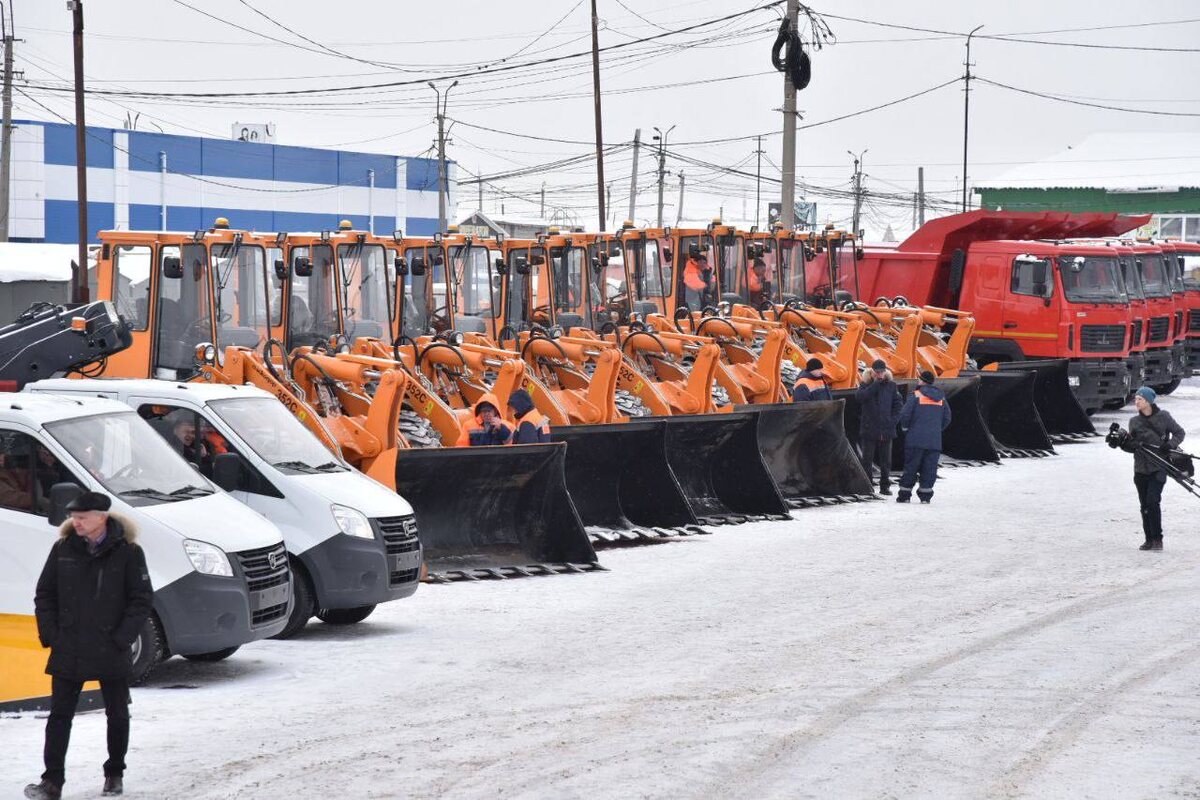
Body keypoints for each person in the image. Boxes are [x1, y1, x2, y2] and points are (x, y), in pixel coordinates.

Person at [26, 491, 153, 800]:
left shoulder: (129, 552)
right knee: (59, 716)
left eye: (82, 517)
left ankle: (114, 774)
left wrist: (122, 638)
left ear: (102, 518)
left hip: (111, 646)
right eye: (74, 517)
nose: (76, 522)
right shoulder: (62, 549)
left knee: (118, 713)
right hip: (69, 645)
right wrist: (52, 635)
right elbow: (45, 595)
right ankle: (52, 782)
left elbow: (141, 600)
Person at [1123, 386, 1185, 551]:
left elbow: (1180, 433)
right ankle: (1148, 539)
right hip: (1140, 469)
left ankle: (1158, 538)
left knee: (1152, 501)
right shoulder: (1134, 422)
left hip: (1159, 467)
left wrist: (1169, 445)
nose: (1136, 402)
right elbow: (1132, 447)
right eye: (1136, 399)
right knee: (1144, 505)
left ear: (1148, 401)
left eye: (1140, 399)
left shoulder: (1164, 417)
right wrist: (1124, 444)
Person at [896, 370, 952, 504]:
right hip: (934, 441)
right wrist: (936, 430)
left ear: (921, 381)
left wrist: (905, 428)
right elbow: (947, 418)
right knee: (929, 469)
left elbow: (905, 415)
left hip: (915, 440)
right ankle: (925, 496)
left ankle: (904, 495)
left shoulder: (916, 395)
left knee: (911, 467)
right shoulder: (941, 398)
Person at [855, 359, 903, 495]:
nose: (880, 374)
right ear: (872, 372)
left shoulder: (891, 386)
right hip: (869, 429)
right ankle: (868, 487)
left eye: (882, 372)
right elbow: (860, 398)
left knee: (886, 461)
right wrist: (875, 385)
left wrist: (892, 420)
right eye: (877, 372)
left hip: (886, 429)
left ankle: (884, 486)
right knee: (867, 460)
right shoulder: (865, 385)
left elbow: (898, 405)